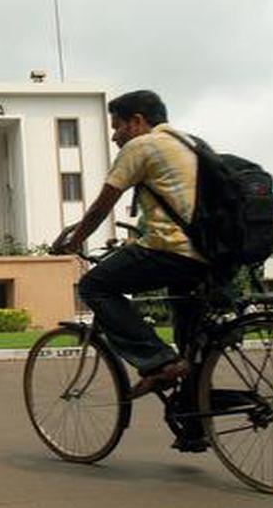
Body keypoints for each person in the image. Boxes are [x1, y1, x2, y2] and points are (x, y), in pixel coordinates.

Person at [51, 90, 210, 401]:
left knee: (95, 286)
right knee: (191, 342)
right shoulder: (189, 143)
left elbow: (101, 207)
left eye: (117, 127)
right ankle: (195, 420)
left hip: (173, 250)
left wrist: (74, 241)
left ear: (137, 121)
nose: (114, 137)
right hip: (209, 252)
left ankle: (157, 360)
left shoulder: (142, 145)